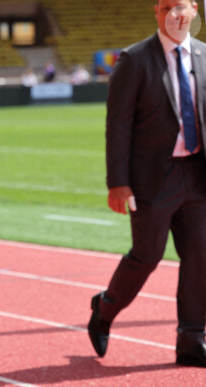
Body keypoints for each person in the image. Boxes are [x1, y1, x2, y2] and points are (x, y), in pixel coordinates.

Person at [88, 0, 206, 368]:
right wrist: (118, 182)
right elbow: (118, 124)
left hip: (198, 175)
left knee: (201, 258)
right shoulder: (134, 59)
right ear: (157, 11)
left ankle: (191, 338)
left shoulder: (204, 54)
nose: (175, 14)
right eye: (167, 6)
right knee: (147, 255)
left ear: (194, 10)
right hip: (154, 178)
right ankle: (105, 309)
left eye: (181, 6)